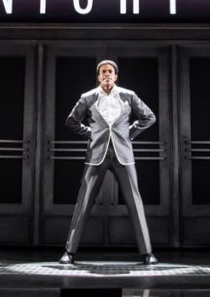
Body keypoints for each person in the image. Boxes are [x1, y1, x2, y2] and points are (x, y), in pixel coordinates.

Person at [59, 59, 159, 266]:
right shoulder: (87, 97)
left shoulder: (128, 95)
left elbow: (149, 117)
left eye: (110, 71)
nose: (106, 74)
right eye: (103, 72)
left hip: (123, 155)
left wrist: (129, 133)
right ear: (98, 76)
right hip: (96, 155)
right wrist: (91, 133)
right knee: (83, 203)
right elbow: (71, 121)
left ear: (116, 76)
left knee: (135, 203)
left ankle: (147, 253)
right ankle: (69, 252)